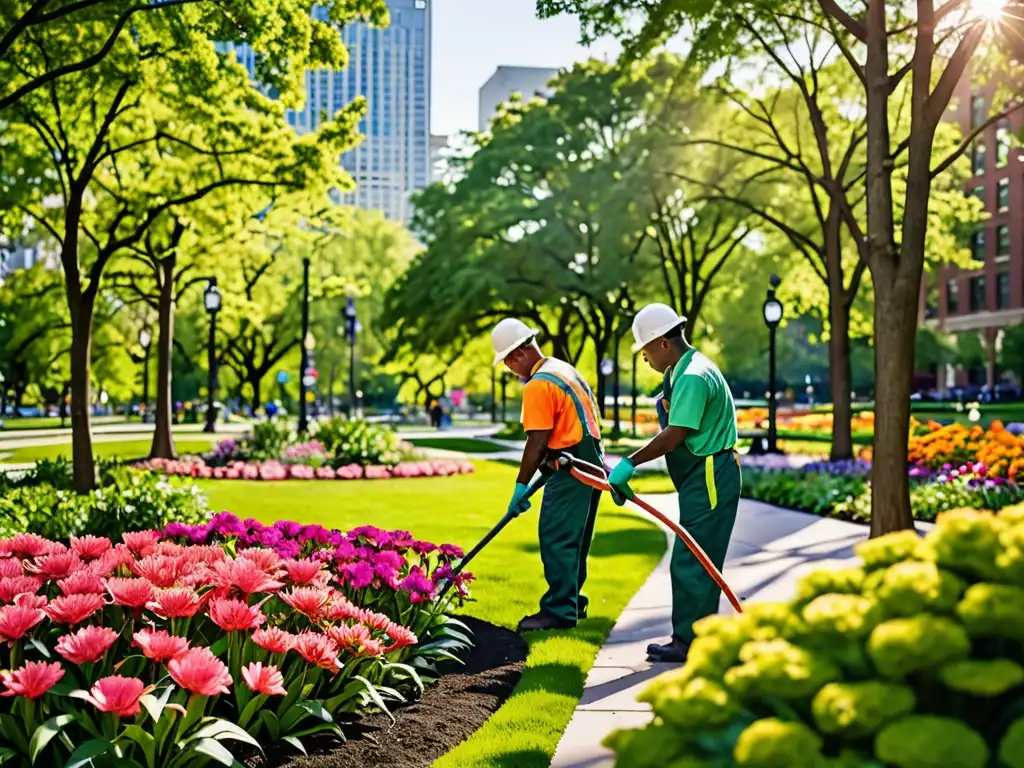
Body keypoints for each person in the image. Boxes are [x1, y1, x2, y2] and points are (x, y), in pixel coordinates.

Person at [608, 303, 740, 663]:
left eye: (646, 349)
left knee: (693, 558)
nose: (645, 357)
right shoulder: (682, 371)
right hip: (702, 475)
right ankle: (699, 637)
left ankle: (689, 642)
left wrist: (629, 463)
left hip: (710, 475)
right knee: (698, 558)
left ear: (664, 343)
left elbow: (675, 435)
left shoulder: (693, 376)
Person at [491, 318, 604, 633]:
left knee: (557, 537)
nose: (511, 370)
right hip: (589, 461)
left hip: (571, 468)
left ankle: (558, 611)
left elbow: (537, 441)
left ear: (517, 355)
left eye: (508, 364)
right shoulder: (563, 369)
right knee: (575, 540)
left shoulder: (540, 383)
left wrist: (520, 487)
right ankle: (572, 602)